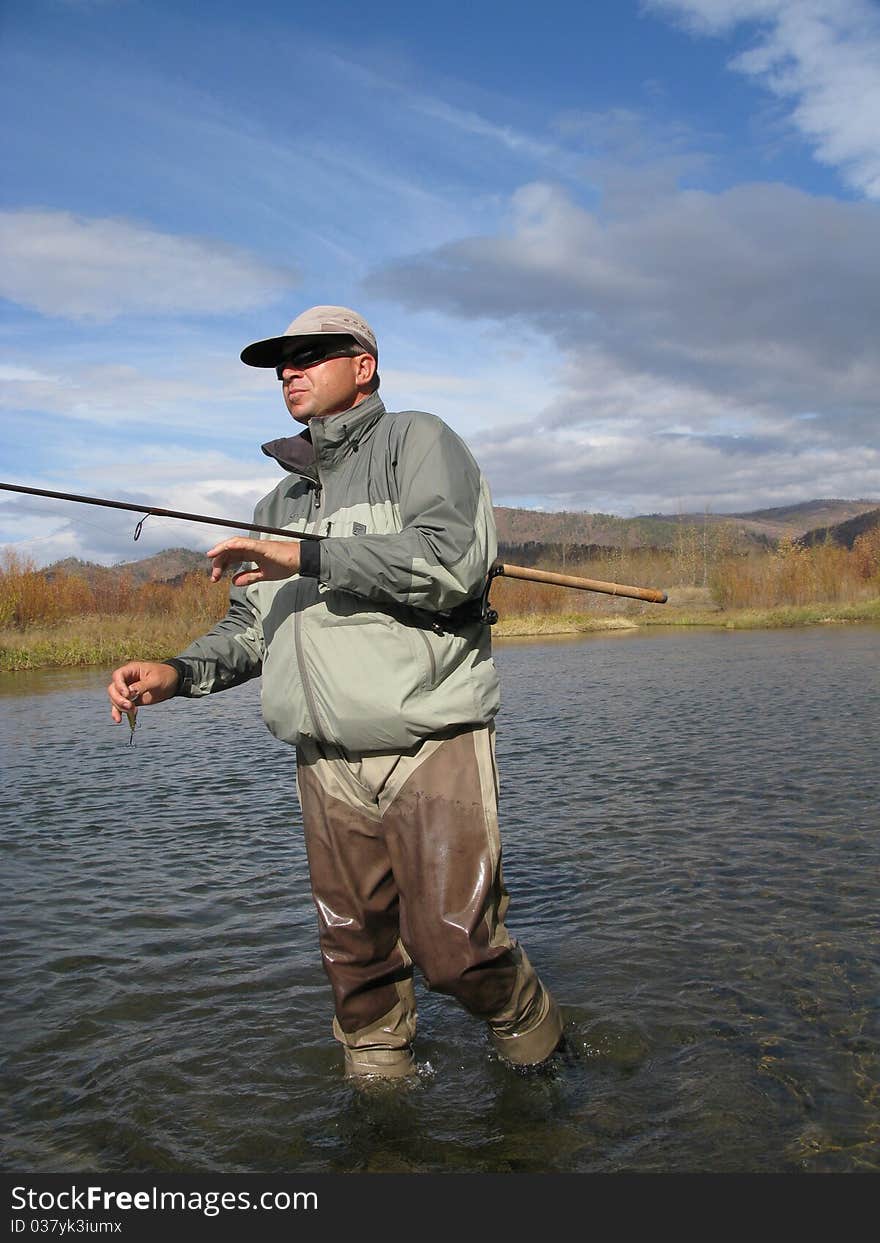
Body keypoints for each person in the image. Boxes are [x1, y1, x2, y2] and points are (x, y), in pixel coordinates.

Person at [107, 305, 563, 1079]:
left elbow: (449, 560)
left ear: (364, 366)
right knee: (354, 962)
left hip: (430, 741)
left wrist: (306, 555)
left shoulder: (419, 442)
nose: (290, 370)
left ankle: (538, 1049)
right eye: (281, 362)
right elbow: (253, 631)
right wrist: (176, 673)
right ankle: (382, 1119)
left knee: (456, 950)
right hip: (323, 763)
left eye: (310, 354)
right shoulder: (274, 506)